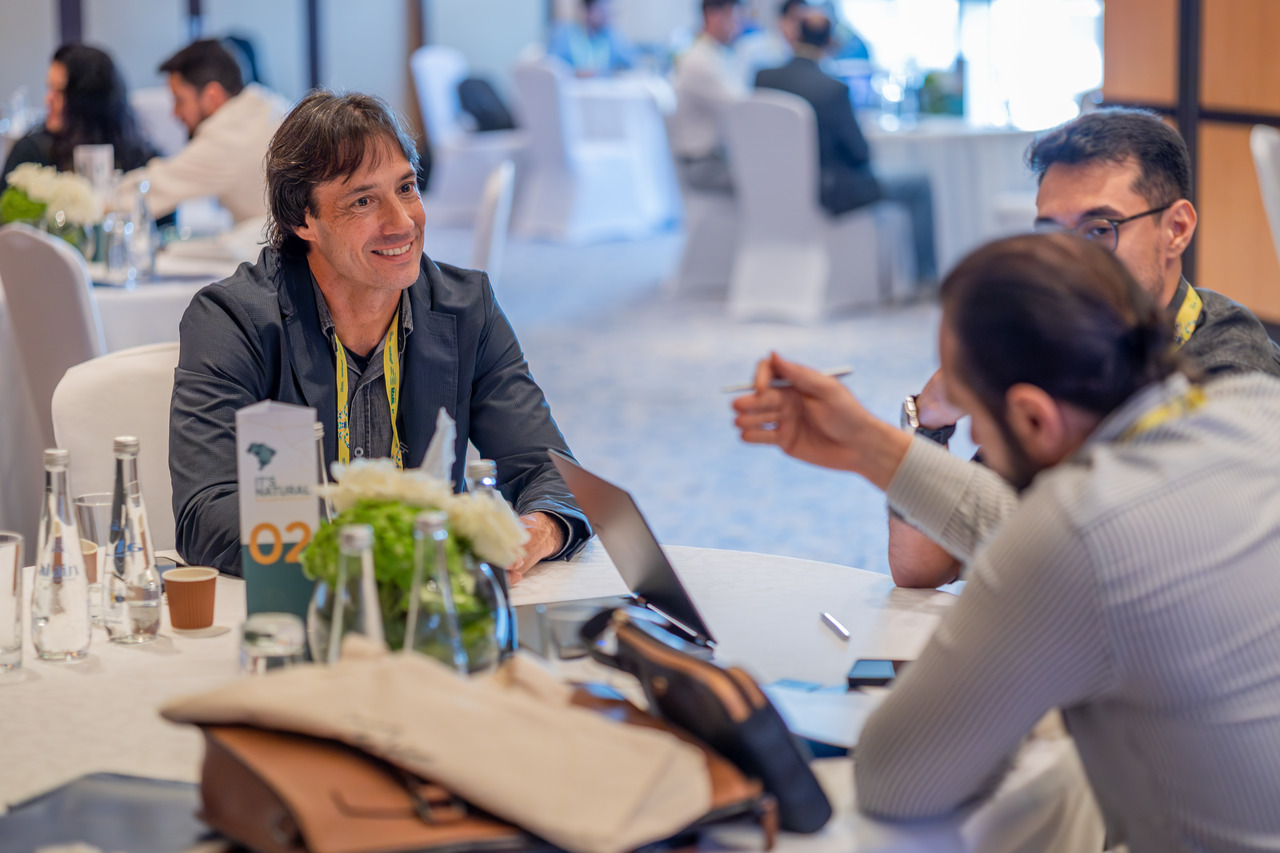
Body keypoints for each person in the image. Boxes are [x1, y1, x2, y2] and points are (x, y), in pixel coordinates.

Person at [734, 233, 1280, 851]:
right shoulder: (1256, 402)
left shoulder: (1075, 534)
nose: (974, 441)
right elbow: (1062, 532)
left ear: (1032, 417)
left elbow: (900, 778)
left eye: (973, 415)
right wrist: (868, 444)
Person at [169, 90, 590, 579]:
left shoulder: (465, 308)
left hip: (429, 607)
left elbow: (550, 471)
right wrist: (381, 554)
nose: (402, 222)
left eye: (406, 188)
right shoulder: (233, 320)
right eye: (363, 200)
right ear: (302, 219)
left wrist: (532, 533)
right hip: (304, 604)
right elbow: (208, 513)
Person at [888, 108, 1280, 588]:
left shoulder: (1229, 370)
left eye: (1099, 230)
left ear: (1175, 230)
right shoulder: (1054, 343)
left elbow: (1125, 572)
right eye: (1054, 236)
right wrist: (929, 425)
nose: (1070, 262)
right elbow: (922, 566)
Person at [754, 11, 936, 281]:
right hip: (829, 190)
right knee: (918, 183)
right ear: (831, 42)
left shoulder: (763, 79)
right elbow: (860, 154)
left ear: (795, 36)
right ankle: (926, 278)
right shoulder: (832, 89)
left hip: (773, 185)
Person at [115, 39, 289, 223]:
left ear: (212, 96)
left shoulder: (231, 136)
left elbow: (155, 189)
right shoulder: (262, 104)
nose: (175, 113)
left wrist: (99, 198)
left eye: (179, 100)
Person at [1, 44, 154, 194]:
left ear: (90, 101)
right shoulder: (31, 153)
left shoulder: (135, 157)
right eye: (49, 88)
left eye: (60, 92)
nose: (48, 100)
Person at [668, 0, 749, 193]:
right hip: (703, 163)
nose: (738, 27)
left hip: (714, 157)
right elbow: (741, 108)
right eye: (735, 18)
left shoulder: (714, 54)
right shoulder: (699, 62)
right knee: (764, 178)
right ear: (714, 15)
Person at [547, 0, 635, 77]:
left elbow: (631, 63)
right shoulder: (564, 35)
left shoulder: (612, 35)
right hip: (573, 88)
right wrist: (574, 73)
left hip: (603, 89)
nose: (606, 13)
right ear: (587, 11)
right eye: (601, 9)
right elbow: (550, 66)